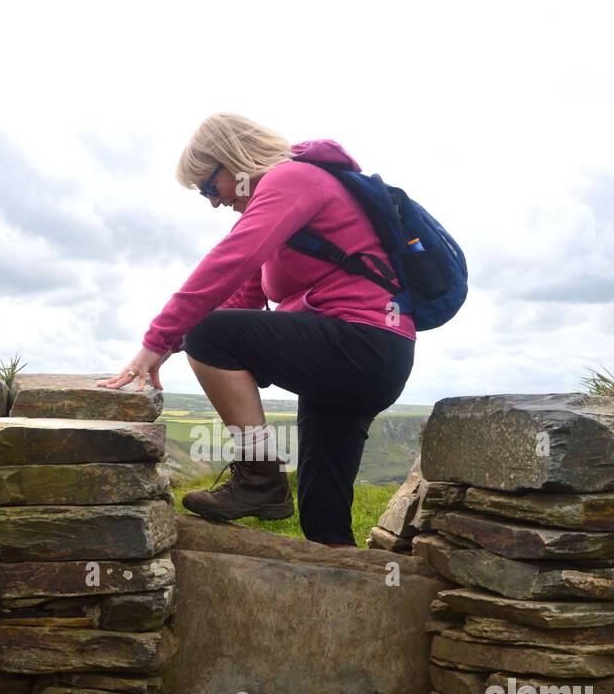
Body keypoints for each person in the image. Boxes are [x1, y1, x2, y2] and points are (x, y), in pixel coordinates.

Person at [99, 112, 415, 547]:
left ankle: (261, 478)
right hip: (357, 362)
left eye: (211, 186)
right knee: (323, 519)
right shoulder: (276, 208)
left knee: (208, 333)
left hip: (363, 345)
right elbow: (240, 300)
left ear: (235, 159)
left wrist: (155, 341)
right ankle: (345, 592)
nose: (212, 201)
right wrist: (172, 344)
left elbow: (229, 264)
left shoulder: (294, 179)